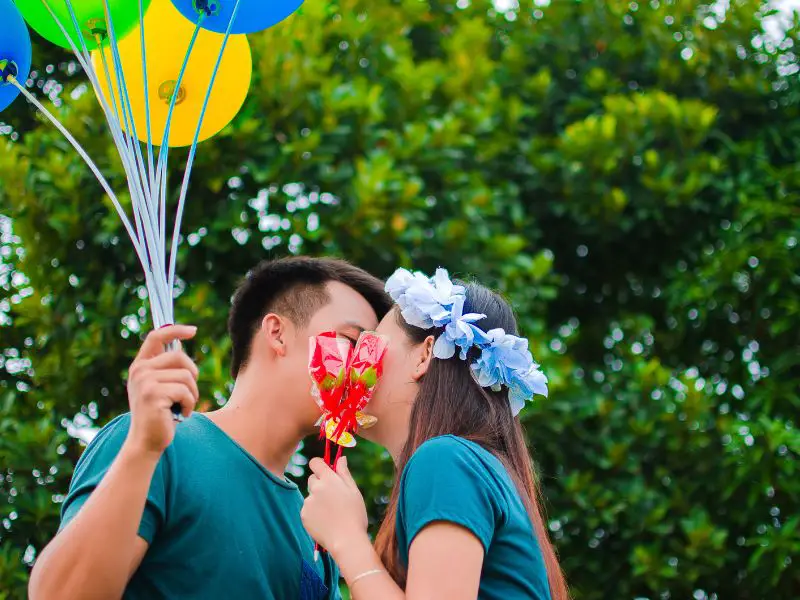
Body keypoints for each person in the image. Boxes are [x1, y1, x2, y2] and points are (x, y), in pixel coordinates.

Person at [28, 256, 392, 600]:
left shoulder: (317, 523)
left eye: (372, 356)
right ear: (278, 333)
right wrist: (143, 448)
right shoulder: (158, 446)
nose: (365, 371)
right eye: (351, 342)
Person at [301, 267, 569, 599]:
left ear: (425, 355)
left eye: (370, 344)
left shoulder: (445, 460)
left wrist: (347, 540)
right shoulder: (469, 463)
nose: (355, 362)